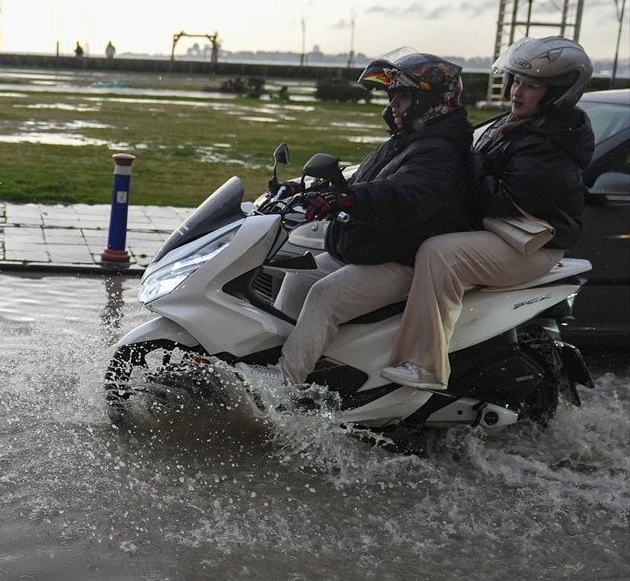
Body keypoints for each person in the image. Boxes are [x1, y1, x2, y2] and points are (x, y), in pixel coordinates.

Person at [235, 48, 473, 387]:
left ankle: (286, 381)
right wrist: (315, 189)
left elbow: (404, 196)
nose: (392, 105)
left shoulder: (440, 152)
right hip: (373, 249)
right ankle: (285, 360)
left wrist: (347, 198)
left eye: (401, 96)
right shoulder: (407, 141)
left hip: (401, 259)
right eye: (392, 96)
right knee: (298, 279)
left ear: (429, 101)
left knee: (325, 296)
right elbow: (368, 182)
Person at [381, 36, 595, 390]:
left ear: (557, 92)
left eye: (531, 85)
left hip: (533, 244)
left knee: (439, 255)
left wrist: (468, 158)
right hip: (504, 233)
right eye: (515, 81)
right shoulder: (518, 124)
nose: (516, 90)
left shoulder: (553, 143)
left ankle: (425, 365)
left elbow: (500, 200)